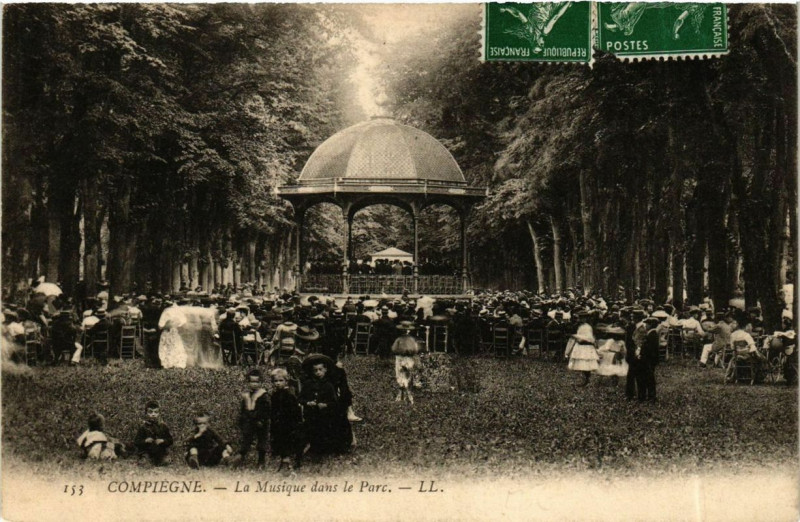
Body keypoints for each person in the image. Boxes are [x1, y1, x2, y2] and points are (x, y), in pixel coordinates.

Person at [298, 354, 338, 457]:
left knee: (323, 431)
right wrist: (307, 402)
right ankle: (312, 447)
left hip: (324, 415)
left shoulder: (329, 385)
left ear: (325, 370)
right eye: (315, 370)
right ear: (312, 371)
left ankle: (324, 449)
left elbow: (334, 402)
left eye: (320, 369)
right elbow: (301, 398)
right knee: (311, 431)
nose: (318, 372)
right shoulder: (308, 384)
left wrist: (325, 405)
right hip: (310, 414)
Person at [232, 369, 270, 468]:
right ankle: (240, 457)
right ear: (248, 383)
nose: (254, 384)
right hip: (249, 421)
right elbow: (243, 409)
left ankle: (261, 461)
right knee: (246, 439)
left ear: (261, 382)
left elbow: (265, 410)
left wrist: (261, 419)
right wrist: (242, 419)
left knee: (262, 441)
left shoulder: (263, 395)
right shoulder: (247, 395)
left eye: (257, 382)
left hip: (260, 422)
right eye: (252, 382)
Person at [269, 368, 304, 471]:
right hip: (278, 422)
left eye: (281, 381)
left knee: (289, 440)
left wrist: (296, 422)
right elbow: (273, 409)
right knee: (279, 440)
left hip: (288, 422)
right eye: (276, 381)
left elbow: (295, 410)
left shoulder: (289, 395)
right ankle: (284, 459)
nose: (278, 383)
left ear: (286, 381)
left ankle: (293, 460)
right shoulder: (274, 395)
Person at [133, 400, 173, 466]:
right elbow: (136, 442)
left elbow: (170, 440)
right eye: (150, 412)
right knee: (144, 462)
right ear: (146, 413)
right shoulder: (143, 427)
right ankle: (146, 460)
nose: (153, 414)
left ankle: (159, 461)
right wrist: (145, 441)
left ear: (159, 413)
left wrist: (162, 440)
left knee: (165, 461)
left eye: (156, 412)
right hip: (147, 451)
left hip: (160, 451)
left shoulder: (163, 426)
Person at [391, 320, 421, 403]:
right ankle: (406, 394)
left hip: (400, 358)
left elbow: (393, 349)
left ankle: (403, 393)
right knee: (407, 375)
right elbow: (416, 349)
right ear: (409, 330)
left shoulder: (399, 339)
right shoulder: (412, 340)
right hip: (409, 358)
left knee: (400, 375)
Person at [158, 301, 188, 369]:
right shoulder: (179, 310)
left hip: (169, 330)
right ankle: (175, 362)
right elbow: (184, 321)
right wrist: (177, 325)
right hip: (174, 330)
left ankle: (169, 363)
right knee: (175, 345)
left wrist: (166, 325)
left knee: (167, 346)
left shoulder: (166, 311)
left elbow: (160, 325)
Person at [637, 317, 661, 402]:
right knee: (648, 378)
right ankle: (650, 396)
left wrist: (642, 355)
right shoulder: (652, 334)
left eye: (647, 324)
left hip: (648, 360)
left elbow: (649, 349)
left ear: (650, 325)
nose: (645, 325)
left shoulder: (652, 334)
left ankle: (651, 396)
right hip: (650, 359)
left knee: (648, 378)